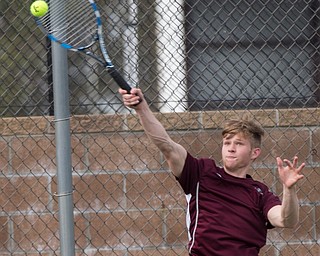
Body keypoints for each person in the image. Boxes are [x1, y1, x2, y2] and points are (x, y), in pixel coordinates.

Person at [119, 88, 305, 256]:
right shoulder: (200, 173)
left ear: (254, 153)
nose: (230, 148)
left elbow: (285, 219)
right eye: (227, 143)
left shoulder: (260, 193)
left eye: (238, 144)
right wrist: (141, 107)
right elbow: (166, 145)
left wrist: (289, 190)